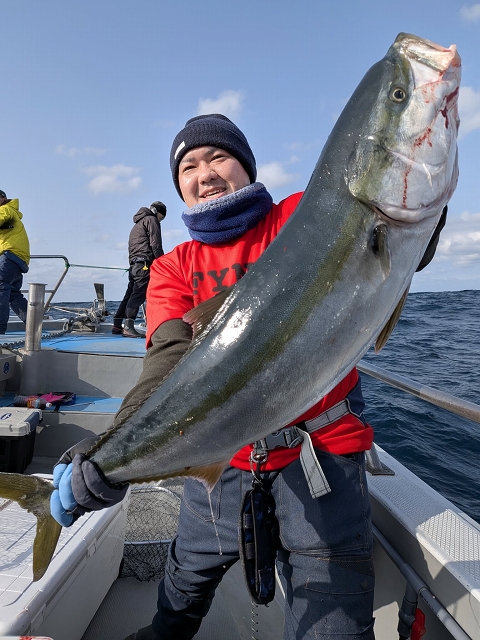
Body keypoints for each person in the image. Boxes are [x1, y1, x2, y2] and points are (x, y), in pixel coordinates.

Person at [50, 115, 447, 640]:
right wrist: (106, 452)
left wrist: (420, 175)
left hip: (321, 458)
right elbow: (165, 365)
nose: (205, 174)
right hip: (222, 462)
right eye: (188, 167)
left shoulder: (305, 216)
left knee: (333, 623)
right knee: (180, 593)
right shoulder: (172, 267)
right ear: (179, 187)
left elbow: (397, 237)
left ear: (246, 166)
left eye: (218, 157)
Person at [112, 201, 166, 338]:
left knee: (130, 294)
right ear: (157, 213)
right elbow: (155, 244)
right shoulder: (151, 220)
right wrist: (163, 263)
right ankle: (128, 327)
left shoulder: (137, 224)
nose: (160, 221)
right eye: (161, 218)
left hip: (134, 264)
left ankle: (117, 324)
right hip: (144, 264)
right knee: (139, 294)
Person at [0, 189, 30, 334]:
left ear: (3, 198)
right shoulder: (11, 213)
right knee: (13, 294)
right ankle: (34, 323)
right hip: (18, 259)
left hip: (10, 256)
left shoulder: (6, 209)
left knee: (0, 287)